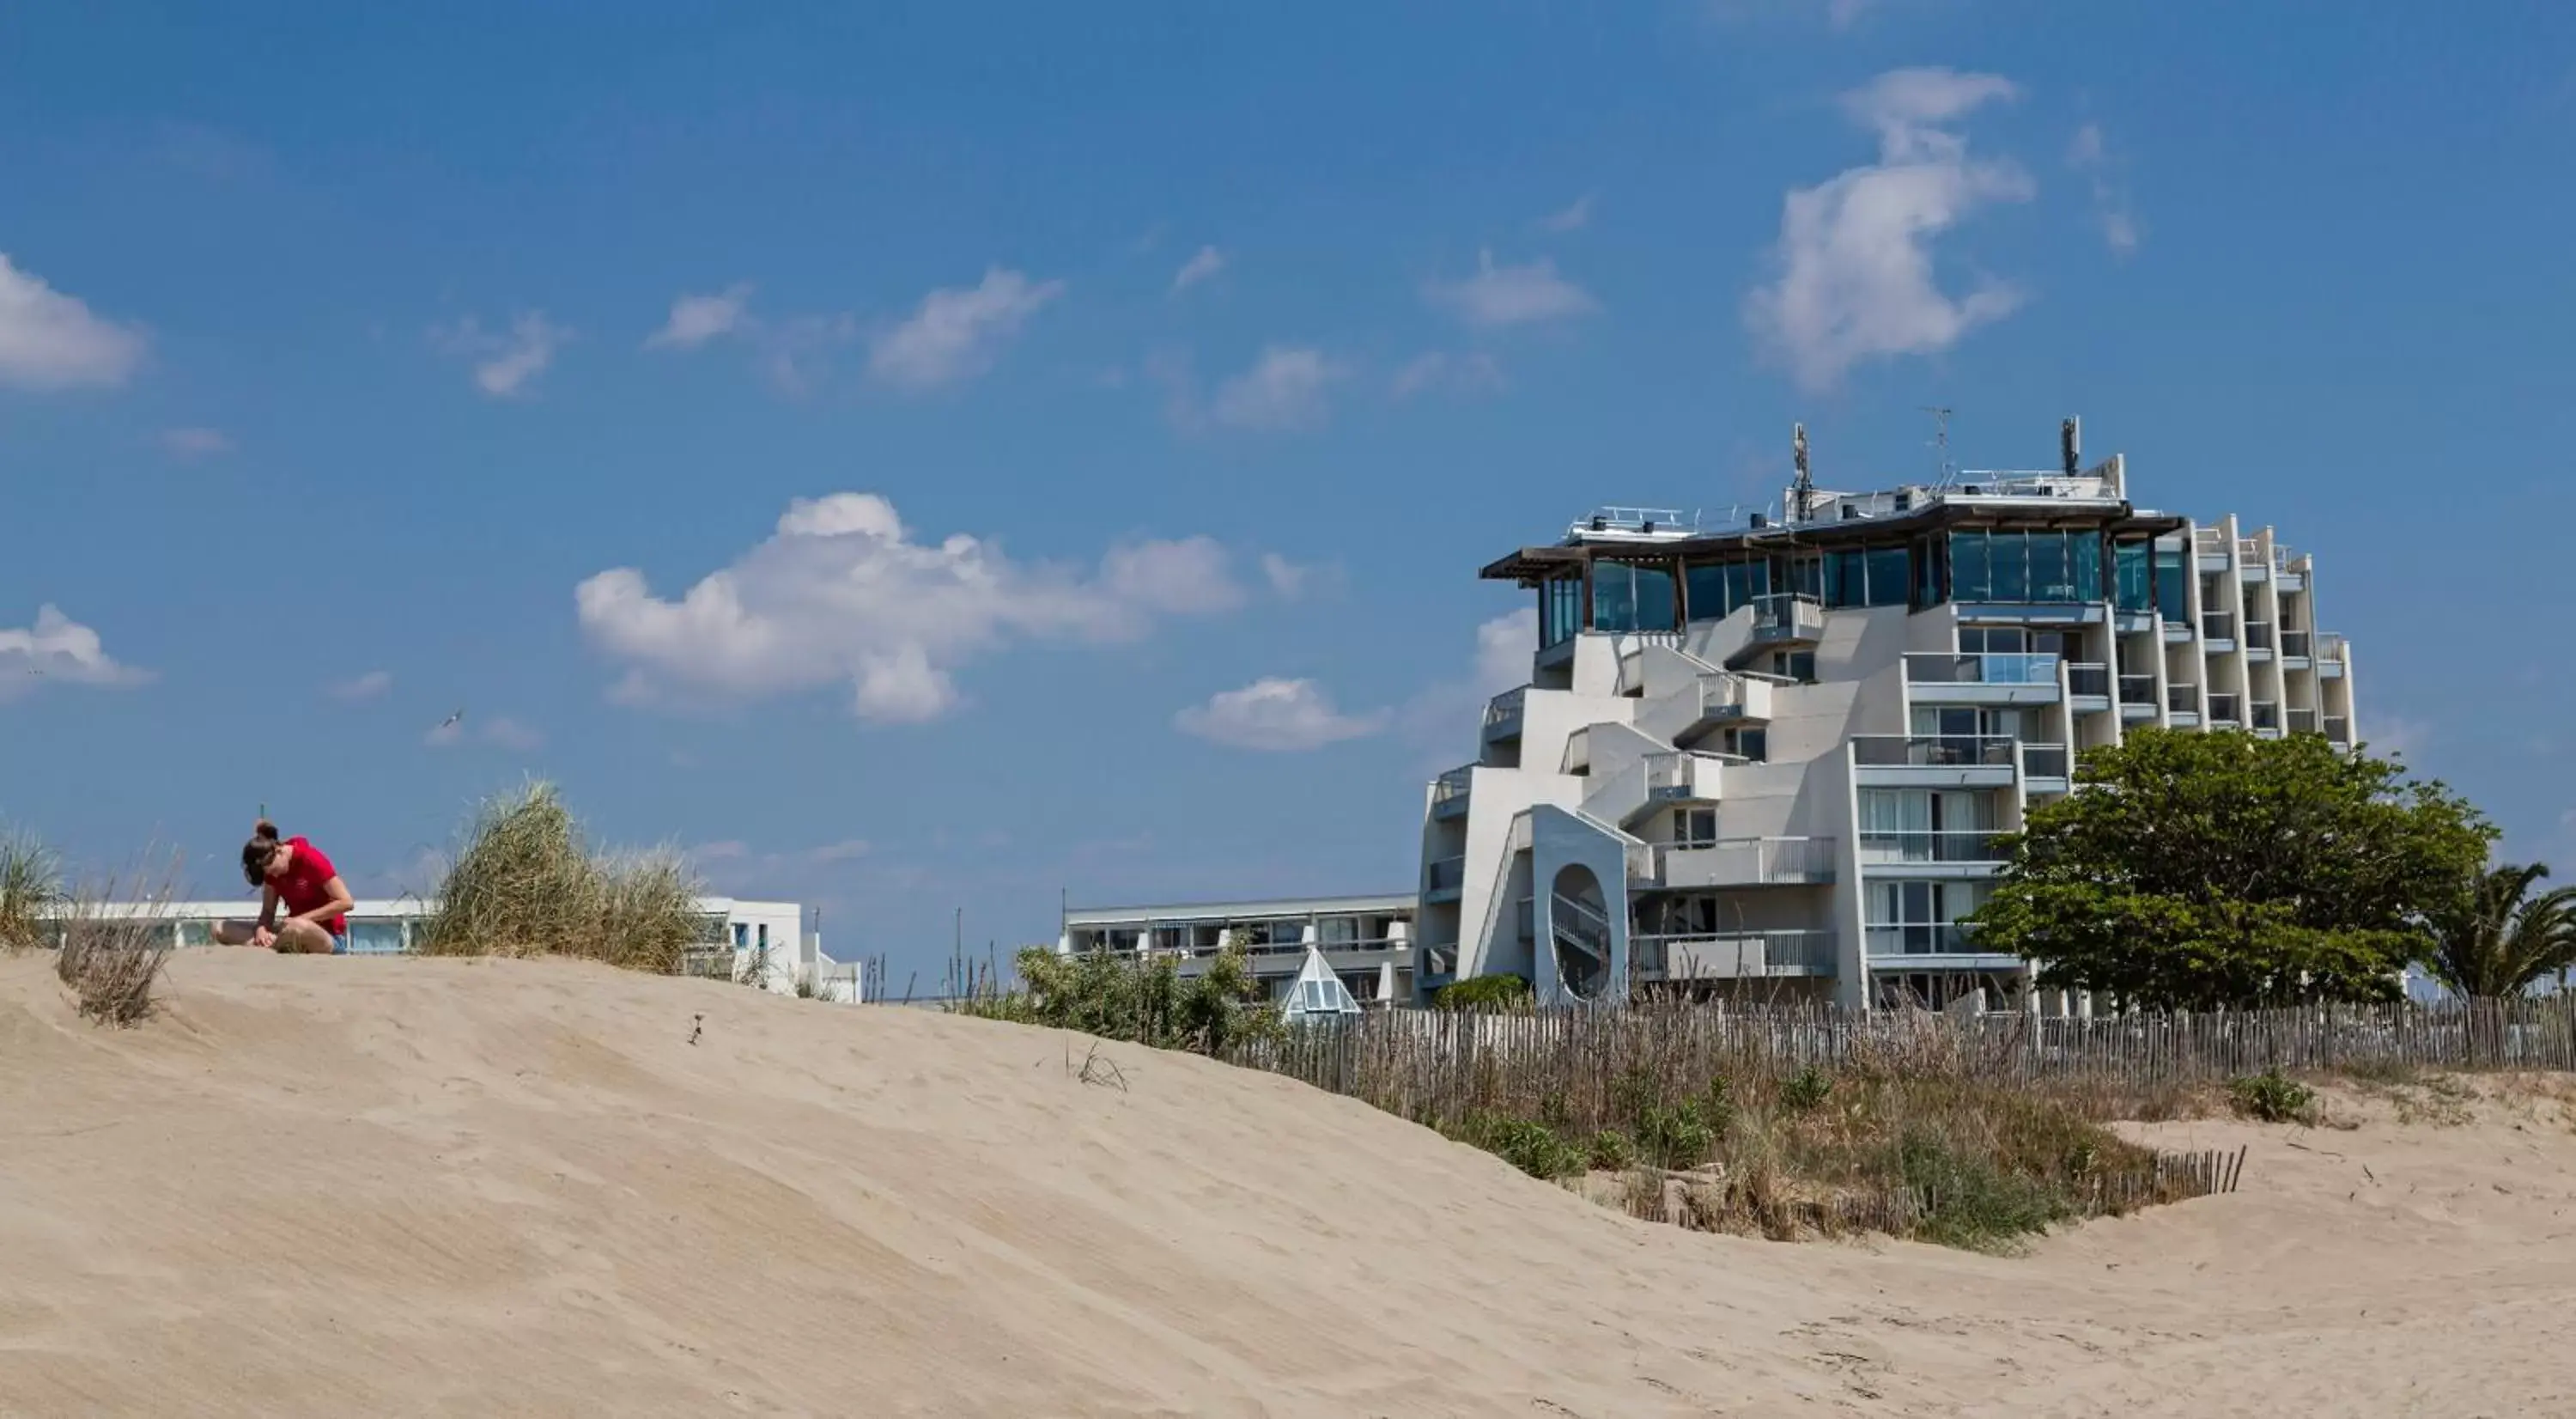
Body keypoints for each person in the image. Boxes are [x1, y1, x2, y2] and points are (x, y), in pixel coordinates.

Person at [210, 820, 355, 954]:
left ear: (279, 851)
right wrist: (262, 929)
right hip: (286, 933)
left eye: (273, 870)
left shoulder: (311, 859)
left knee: (298, 928)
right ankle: (272, 946)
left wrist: (302, 919)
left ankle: (271, 947)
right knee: (219, 928)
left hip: (327, 936)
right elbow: (268, 911)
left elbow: (346, 902)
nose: (274, 875)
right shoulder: (271, 875)